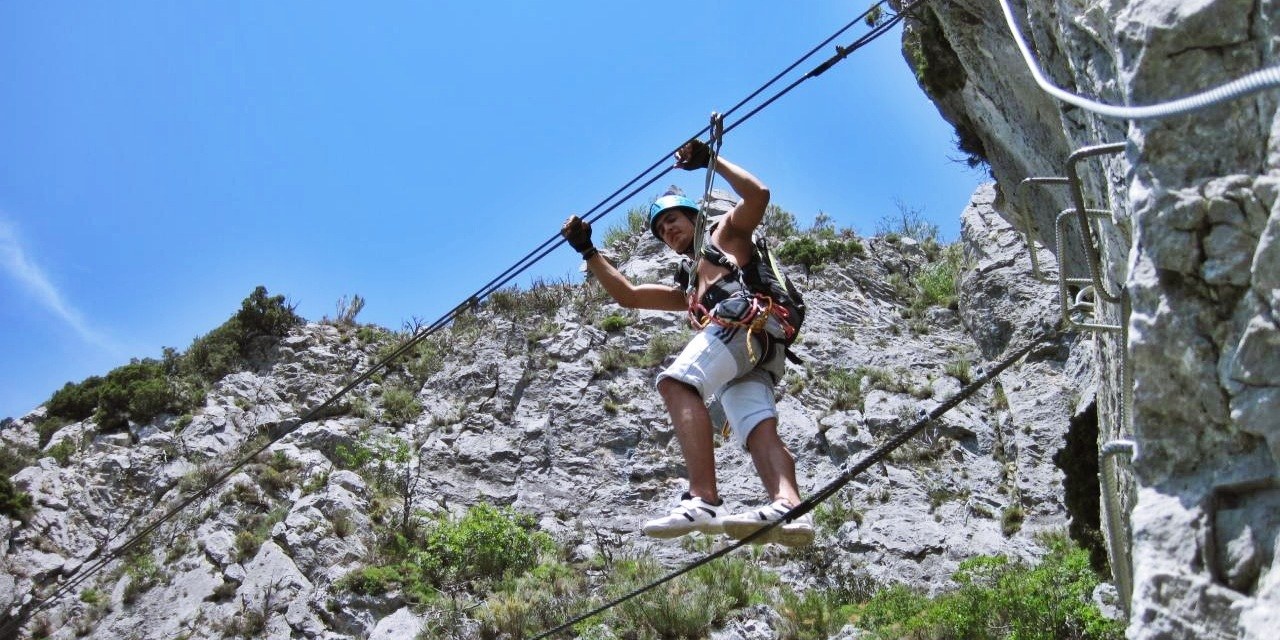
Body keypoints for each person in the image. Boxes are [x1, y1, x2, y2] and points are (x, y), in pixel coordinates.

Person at [560, 139, 814, 547]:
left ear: (694, 217)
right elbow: (629, 295)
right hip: (756, 350)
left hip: (745, 327)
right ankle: (789, 506)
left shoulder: (725, 235)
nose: (668, 231)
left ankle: (703, 498)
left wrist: (712, 160)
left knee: (677, 383)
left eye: (673, 220)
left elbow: (759, 195)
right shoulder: (691, 286)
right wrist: (588, 251)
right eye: (661, 230)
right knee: (757, 431)